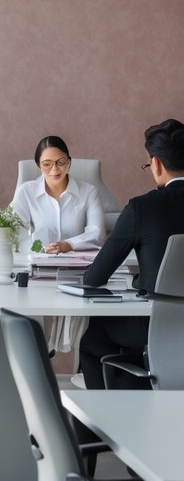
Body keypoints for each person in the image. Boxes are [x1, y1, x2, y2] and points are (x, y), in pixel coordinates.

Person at [78, 118, 184, 389]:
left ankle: (105, 425)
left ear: (157, 164)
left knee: (93, 340)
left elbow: (94, 278)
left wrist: (138, 282)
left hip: (157, 327)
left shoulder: (142, 208)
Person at [11, 136, 105, 254]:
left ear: (69, 162)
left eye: (60, 162)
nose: (54, 169)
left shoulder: (89, 192)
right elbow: (17, 236)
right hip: (38, 261)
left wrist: (68, 244)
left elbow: (97, 233)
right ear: (38, 165)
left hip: (78, 262)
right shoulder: (25, 192)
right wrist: (41, 250)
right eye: (47, 164)